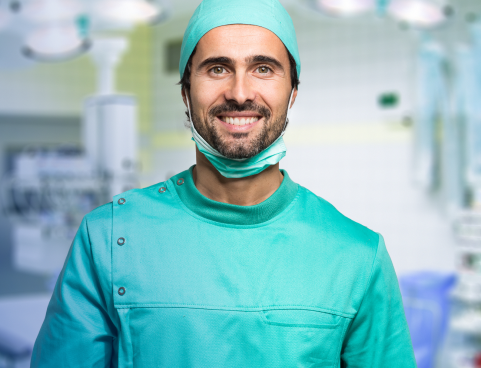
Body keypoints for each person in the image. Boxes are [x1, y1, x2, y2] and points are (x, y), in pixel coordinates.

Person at [31, 0, 417, 366]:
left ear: (293, 93)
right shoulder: (108, 237)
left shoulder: (357, 256)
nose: (240, 93)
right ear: (185, 91)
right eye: (218, 68)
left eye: (263, 68)